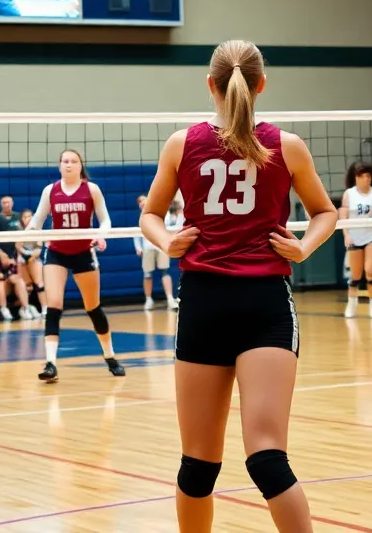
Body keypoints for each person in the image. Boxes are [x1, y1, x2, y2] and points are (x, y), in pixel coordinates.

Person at [139, 39, 337, 533]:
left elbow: (149, 215)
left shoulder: (180, 143)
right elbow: (326, 213)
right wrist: (305, 247)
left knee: (198, 468)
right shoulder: (287, 144)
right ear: (261, 84)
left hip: (204, 303)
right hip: (264, 305)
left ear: (210, 84)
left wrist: (167, 240)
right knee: (267, 461)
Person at [25, 149, 124, 382]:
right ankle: (50, 364)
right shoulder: (50, 191)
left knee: (93, 307)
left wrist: (100, 235)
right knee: (54, 305)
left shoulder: (91, 189)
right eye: (65, 161)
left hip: (83, 252)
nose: (69, 165)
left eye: (73, 161)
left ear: (80, 166)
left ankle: (110, 356)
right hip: (57, 252)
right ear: (59, 166)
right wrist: (28, 233)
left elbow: (106, 219)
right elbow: (37, 221)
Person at [341, 162, 372, 319]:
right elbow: (343, 215)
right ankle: (351, 304)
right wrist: (346, 235)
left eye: (368, 176)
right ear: (356, 178)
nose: (365, 179)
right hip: (354, 236)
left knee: (370, 270)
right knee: (355, 275)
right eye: (362, 176)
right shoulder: (349, 194)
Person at [137, 194, 179, 311]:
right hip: (147, 248)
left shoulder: (165, 213)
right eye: (140, 202)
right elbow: (135, 233)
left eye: (144, 200)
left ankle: (170, 299)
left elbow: (173, 224)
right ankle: (149, 299)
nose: (142, 203)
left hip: (161, 247)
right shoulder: (143, 216)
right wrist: (138, 247)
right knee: (147, 274)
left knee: (165, 272)